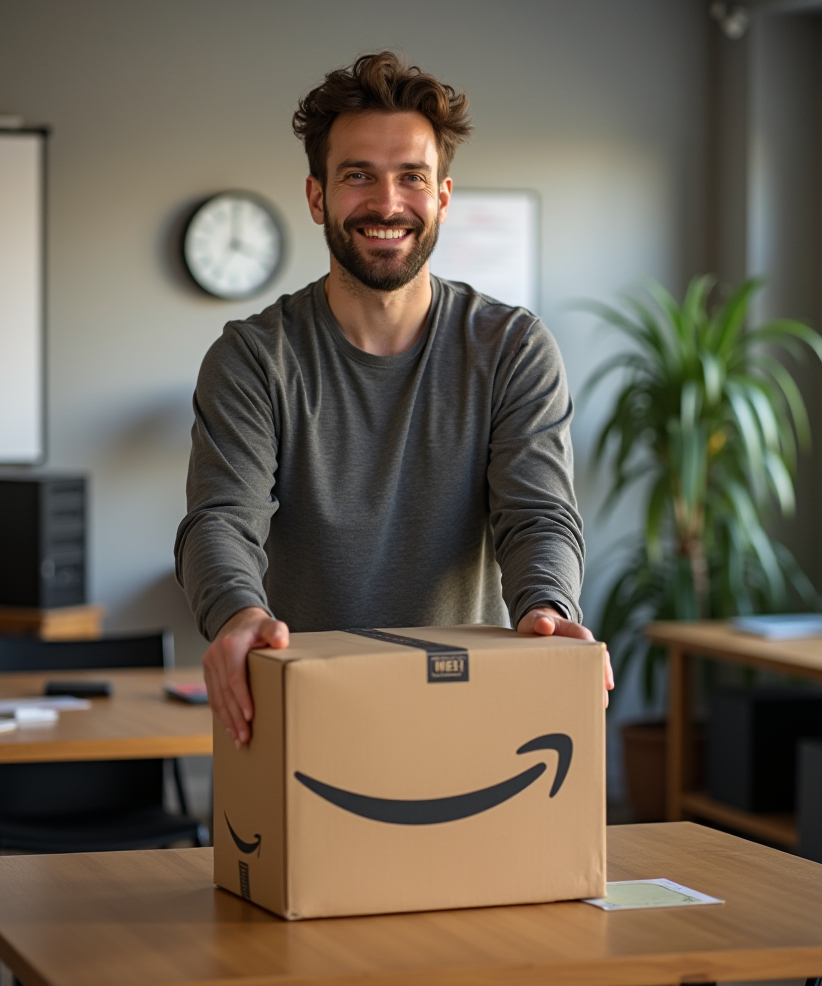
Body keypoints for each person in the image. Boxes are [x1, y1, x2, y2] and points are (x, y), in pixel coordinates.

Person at [175, 51, 613, 746]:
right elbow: (222, 519)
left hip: (470, 714)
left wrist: (547, 609)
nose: (386, 204)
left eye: (411, 177)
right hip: (304, 717)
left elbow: (537, 516)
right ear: (317, 196)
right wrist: (238, 615)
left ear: (442, 195)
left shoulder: (512, 348)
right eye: (358, 177)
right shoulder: (254, 357)